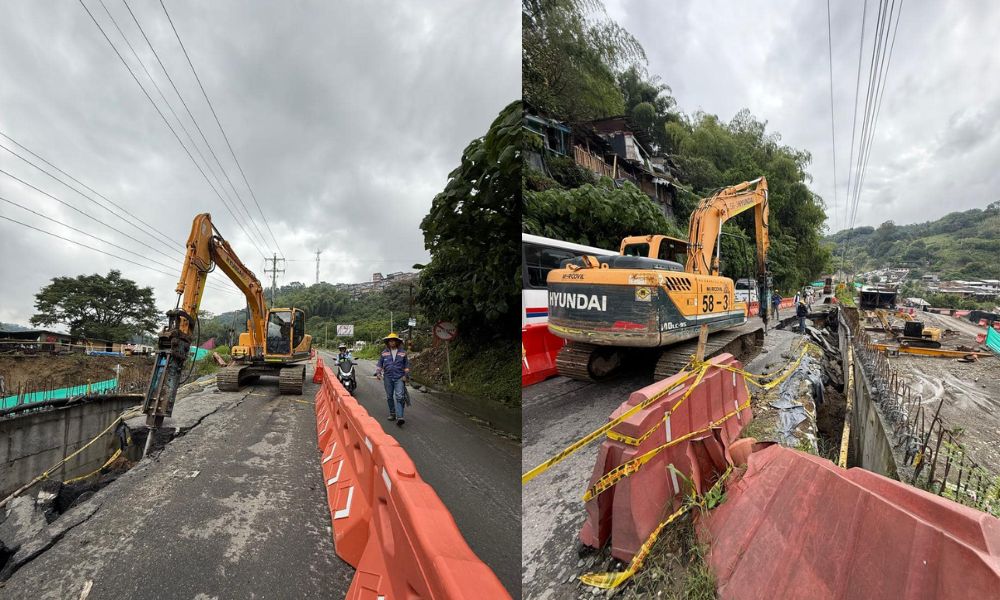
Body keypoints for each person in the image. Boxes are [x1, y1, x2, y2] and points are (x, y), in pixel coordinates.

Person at [375, 332, 410, 426]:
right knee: (389, 396)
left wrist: (405, 375)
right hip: (388, 377)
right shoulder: (384, 353)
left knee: (399, 396)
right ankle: (392, 413)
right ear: (388, 342)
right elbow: (379, 364)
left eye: (394, 341)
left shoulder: (403, 353)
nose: (392, 342)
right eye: (390, 341)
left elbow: (406, 365)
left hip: (399, 377)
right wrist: (378, 373)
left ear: (397, 342)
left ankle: (400, 417)